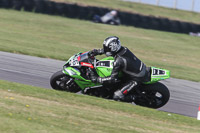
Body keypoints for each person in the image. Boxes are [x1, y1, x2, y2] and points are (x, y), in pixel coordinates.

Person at [88, 36, 148, 102]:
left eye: (107, 48)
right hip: (136, 69)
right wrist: (97, 51)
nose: (106, 50)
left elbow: (113, 79)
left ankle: (138, 98)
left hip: (136, 78)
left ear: (114, 48)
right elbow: (110, 51)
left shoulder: (119, 61)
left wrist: (98, 79)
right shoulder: (123, 49)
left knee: (117, 96)